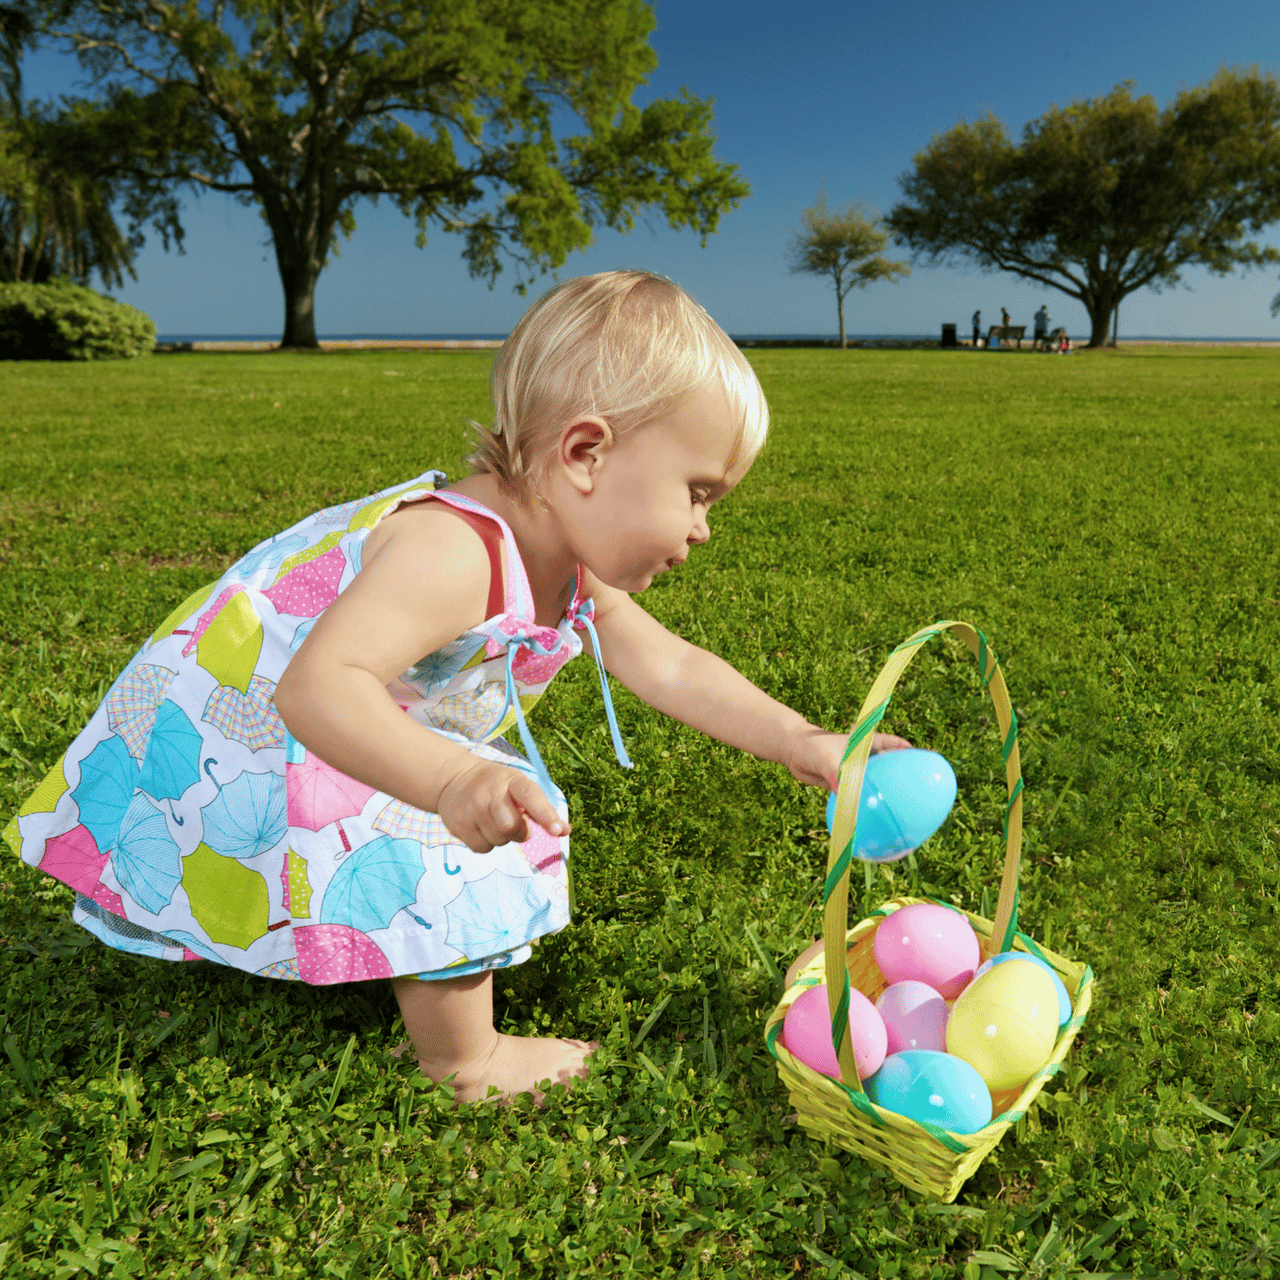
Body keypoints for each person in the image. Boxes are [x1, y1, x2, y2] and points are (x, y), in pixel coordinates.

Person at [7, 270, 907, 1106]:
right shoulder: (451, 552)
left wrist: (800, 738)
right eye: (699, 492)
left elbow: (668, 665)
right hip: (262, 724)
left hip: (336, 710)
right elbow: (318, 691)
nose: (705, 528)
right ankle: (461, 1060)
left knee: (447, 800)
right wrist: (447, 780)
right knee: (438, 831)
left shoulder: (571, 557)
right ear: (586, 453)